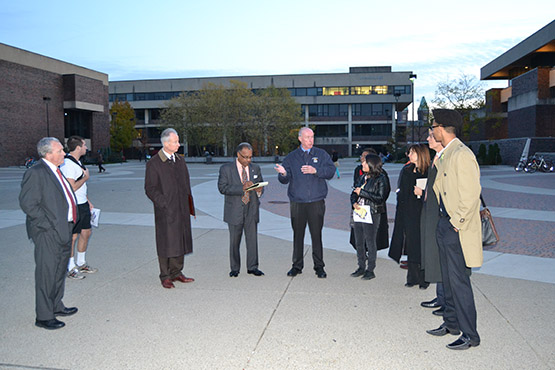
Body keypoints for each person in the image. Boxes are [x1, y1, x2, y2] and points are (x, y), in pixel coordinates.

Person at [426, 109, 482, 350]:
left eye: (434, 126)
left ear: (443, 128)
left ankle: (471, 335)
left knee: (459, 282)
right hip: (444, 223)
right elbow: (439, 189)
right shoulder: (447, 154)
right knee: (447, 279)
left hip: (455, 227)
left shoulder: (462, 154)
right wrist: (437, 162)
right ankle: (451, 323)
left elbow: (471, 196)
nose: (432, 130)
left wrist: (455, 224)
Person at [19, 137, 79, 330]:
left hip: (64, 229)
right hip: (48, 233)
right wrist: (48, 226)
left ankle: (56, 305)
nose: (64, 153)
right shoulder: (36, 173)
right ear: (48, 154)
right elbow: (28, 204)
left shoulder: (57, 171)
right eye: (60, 150)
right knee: (47, 273)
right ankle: (44, 316)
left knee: (59, 270)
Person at [274, 127, 336, 278]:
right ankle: (297, 266)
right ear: (300, 138)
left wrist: (316, 171)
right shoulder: (292, 157)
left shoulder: (321, 154)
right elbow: (284, 179)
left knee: (316, 235)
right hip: (298, 202)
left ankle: (319, 267)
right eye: (307, 137)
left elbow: (331, 171)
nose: (311, 140)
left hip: (316, 201)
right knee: (298, 235)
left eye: (312, 137)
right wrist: (283, 173)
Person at [145, 128, 195, 289]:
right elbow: (150, 188)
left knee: (180, 239)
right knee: (166, 241)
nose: (178, 144)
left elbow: (186, 184)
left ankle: (176, 272)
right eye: (175, 141)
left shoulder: (180, 160)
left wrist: (189, 204)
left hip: (181, 208)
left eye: (178, 141)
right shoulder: (154, 163)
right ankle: (165, 275)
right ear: (166, 143)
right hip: (166, 211)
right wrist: (164, 203)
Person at [218, 142, 265, 278]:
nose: (248, 160)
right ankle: (234, 268)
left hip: (252, 209)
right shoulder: (226, 169)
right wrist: (242, 188)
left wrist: (259, 190)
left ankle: (253, 267)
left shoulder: (255, 168)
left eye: (250, 157)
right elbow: (222, 188)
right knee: (234, 241)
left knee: (252, 240)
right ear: (238, 155)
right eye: (245, 157)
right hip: (234, 210)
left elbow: (261, 186)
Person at [389, 144, 430, 288]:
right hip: (407, 214)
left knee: (422, 247)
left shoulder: (429, 172)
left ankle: (424, 279)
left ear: (421, 154)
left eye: (413, 152)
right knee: (411, 246)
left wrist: (423, 193)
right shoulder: (406, 170)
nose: (409, 155)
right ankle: (412, 278)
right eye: (409, 152)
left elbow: (435, 195)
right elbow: (401, 193)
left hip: (422, 214)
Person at [60, 136, 97, 280]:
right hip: (73, 205)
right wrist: (85, 178)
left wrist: (88, 201)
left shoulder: (77, 162)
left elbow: (79, 188)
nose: (86, 148)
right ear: (78, 147)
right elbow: (71, 187)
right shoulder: (68, 164)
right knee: (73, 236)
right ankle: (70, 267)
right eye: (84, 145)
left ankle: (81, 263)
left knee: (86, 232)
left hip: (82, 203)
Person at [417, 130, 445, 315]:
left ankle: (446, 302)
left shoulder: (446, 159)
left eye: (431, 136)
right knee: (437, 257)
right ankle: (441, 297)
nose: (428, 139)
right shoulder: (437, 157)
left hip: (441, 217)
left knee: (442, 259)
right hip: (432, 214)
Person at [350, 154, 390, 280]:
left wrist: (362, 193)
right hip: (359, 212)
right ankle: (361, 266)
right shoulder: (362, 177)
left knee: (370, 241)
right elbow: (353, 192)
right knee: (359, 241)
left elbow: (380, 198)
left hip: (372, 212)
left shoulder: (381, 179)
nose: (362, 164)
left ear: (372, 164)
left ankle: (370, 269)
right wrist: (354, 203)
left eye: (365, 163)